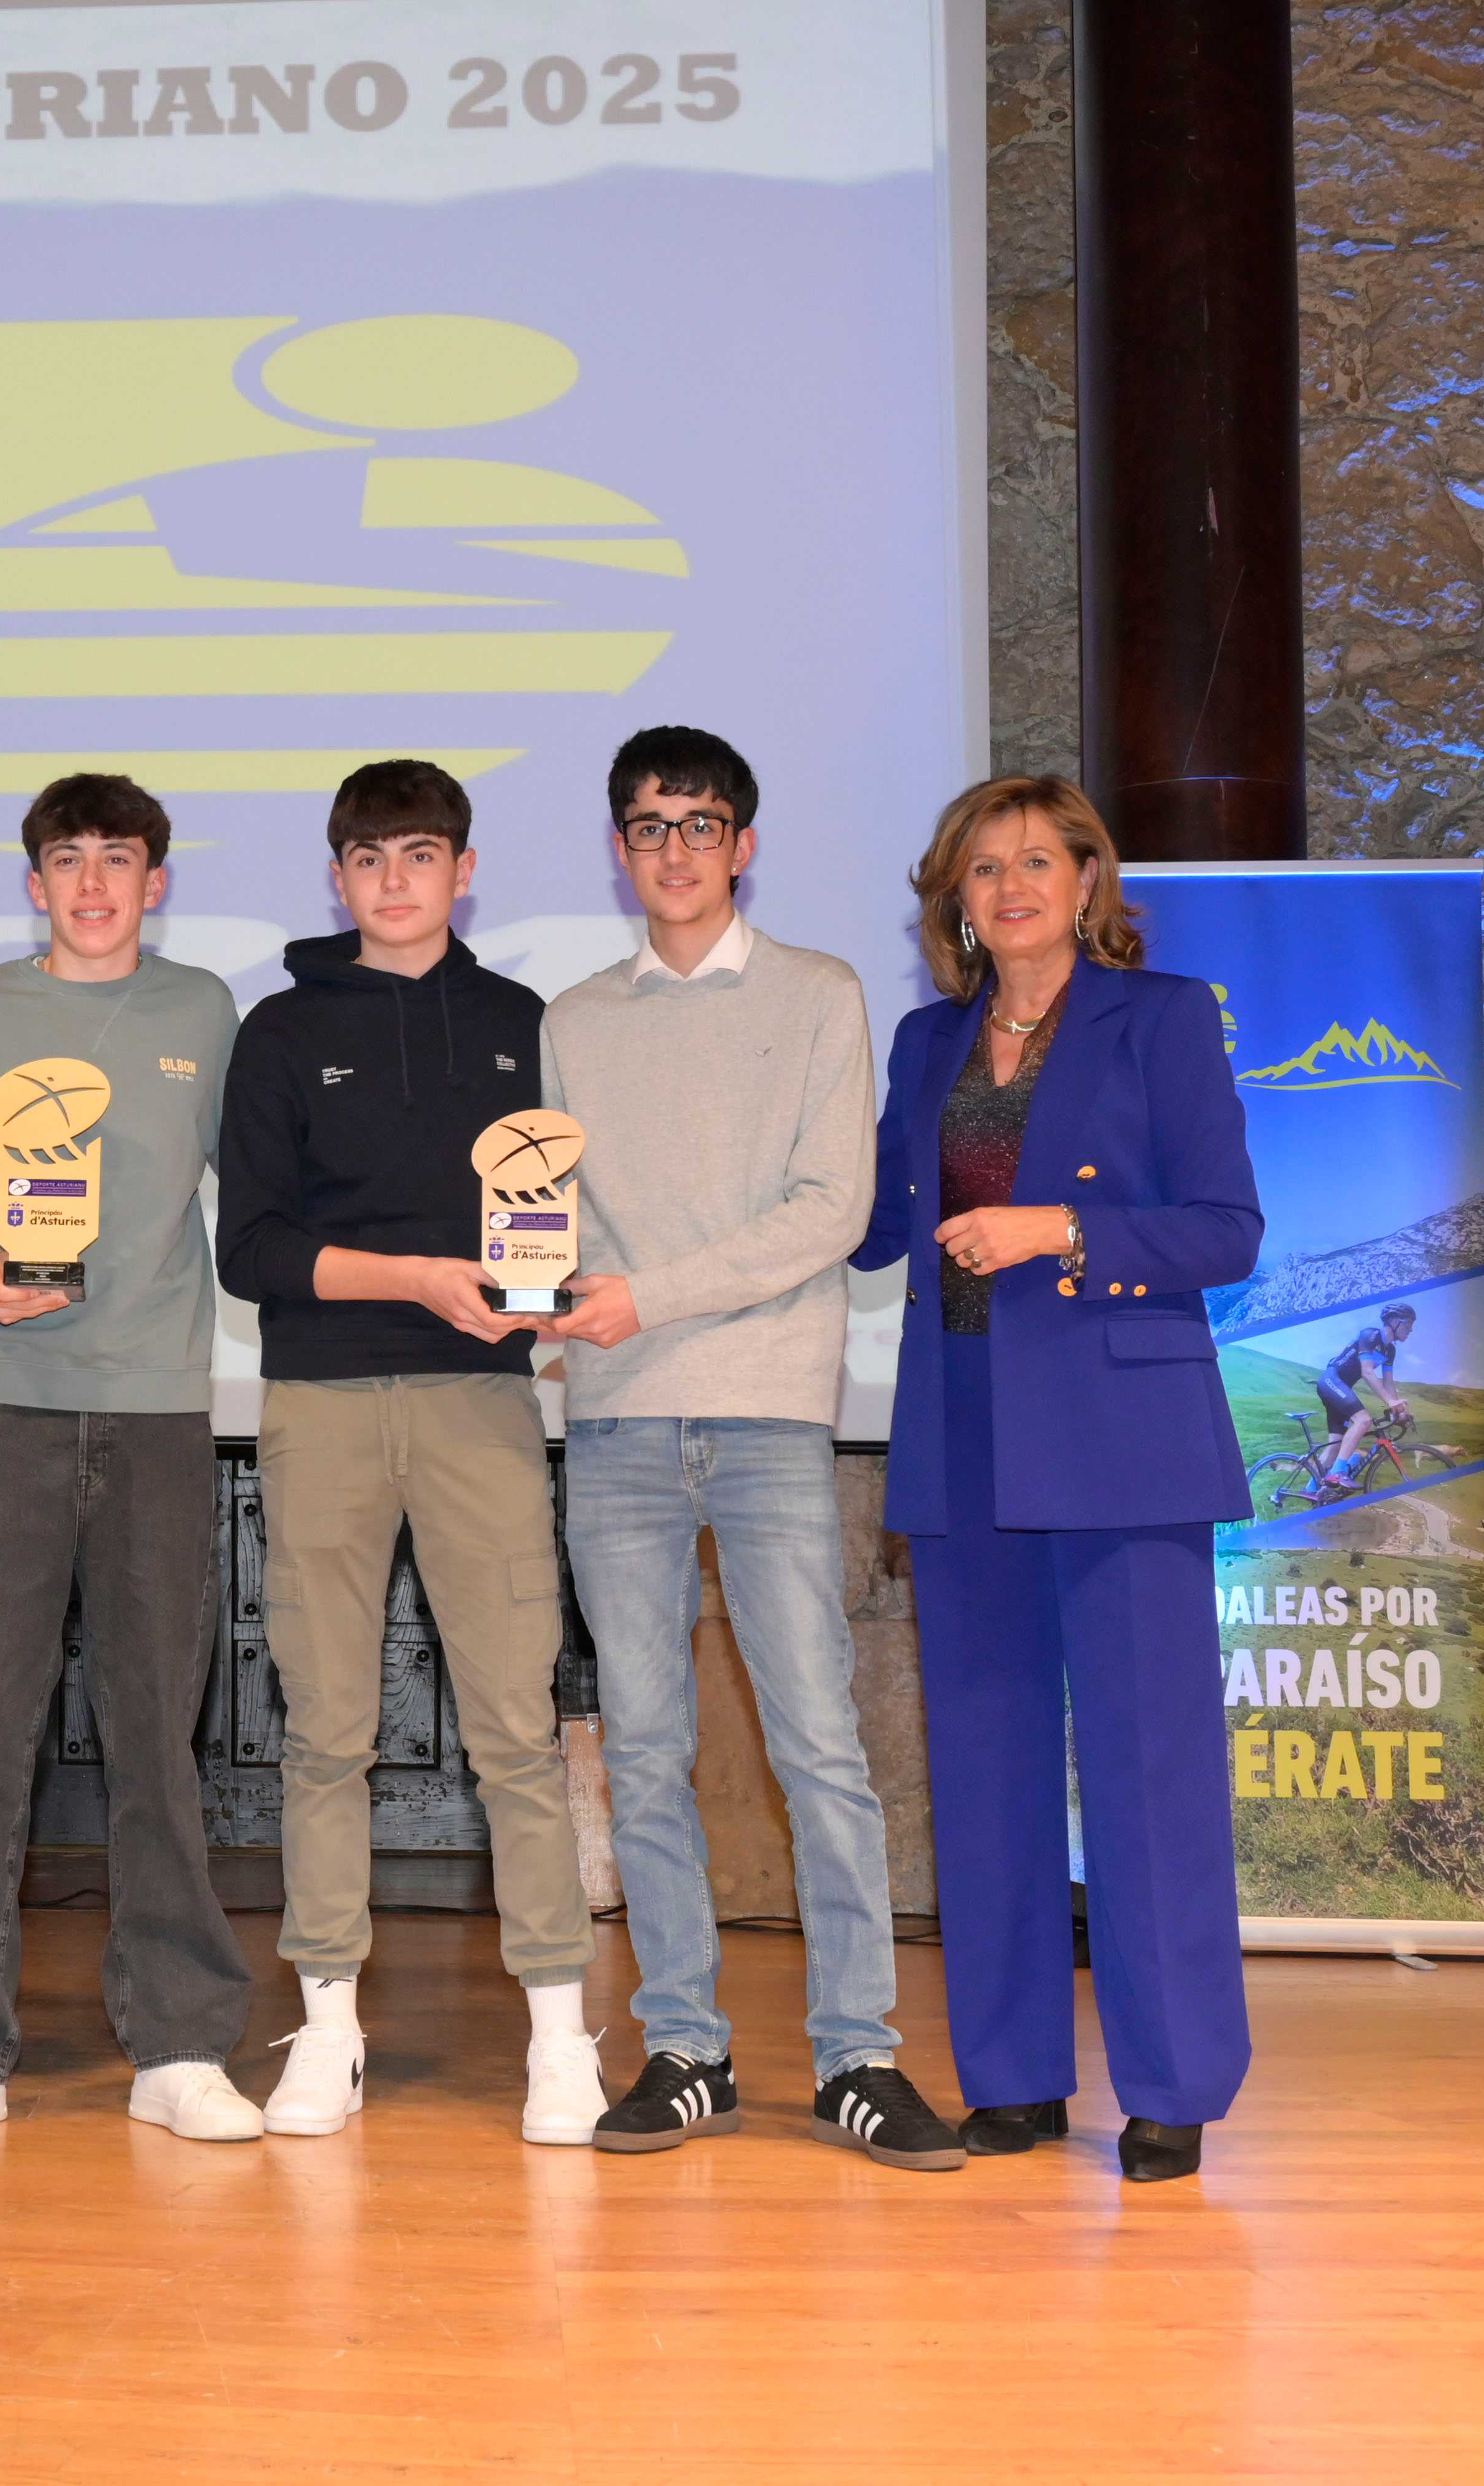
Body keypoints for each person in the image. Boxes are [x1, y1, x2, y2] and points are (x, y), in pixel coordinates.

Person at [539, 724, 963, 2169]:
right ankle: (688, 2048)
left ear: (745, 841)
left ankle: (857, 2054)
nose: (674, 848)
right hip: (616, 1418)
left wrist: (646, 1292)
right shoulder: (576, 1017)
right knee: (646, 1751)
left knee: (820, 1747)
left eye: (700, 822)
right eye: (648, 824)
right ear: (619, 846)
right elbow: (562, 1215)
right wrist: (573, 1290)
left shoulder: (821, 995)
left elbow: (832, 1208)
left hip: (775, 1411)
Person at [854, 773, 1262, 2185]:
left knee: (1153, 1776)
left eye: (1037, 860)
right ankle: (1015, 2075)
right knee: (982, 1773)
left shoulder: (1164, 1020)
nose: (1011, 886)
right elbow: (858, 1222)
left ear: (1089, 879)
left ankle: (1172, 2080)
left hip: (1122, 1443)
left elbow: (1226, 1230)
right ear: (954, 898)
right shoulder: (923, 1042)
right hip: (964, 1439)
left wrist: (1060, 1228)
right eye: (984, 868)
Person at [214, 759, 610, 2146]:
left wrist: (524, 1291)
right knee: (326, 1728)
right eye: (368, 855)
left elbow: (560, 1221)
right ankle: (326, 2030)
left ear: (464, 868)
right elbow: (248, 1249)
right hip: (322, 1399)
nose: (394, 879)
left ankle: (561, 2034)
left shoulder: (527, 1027)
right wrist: (413, 1276)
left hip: (480, 1401)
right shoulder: (278, 1030)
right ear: (338, 875)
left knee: (514, 1723)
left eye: (420, 853)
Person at [0, 773, 256, 2145]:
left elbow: (259, 1188)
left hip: (158, 1412)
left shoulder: (202, 1010)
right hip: (6, 1407)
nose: (93, 881)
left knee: (158, 1736)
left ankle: (177, 2038)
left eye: (120, 858)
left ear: (156, 881)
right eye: (67, 858)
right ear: (33, 882)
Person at [1318, 1304, 1417, 1491]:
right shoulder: (1370, 1335)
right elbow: (1368, 1372)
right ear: (1395, 1322)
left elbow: (1388, 1383)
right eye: (1408, 1324)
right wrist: (1391, 1402)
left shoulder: (1390, 1351)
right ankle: (1336, 1473)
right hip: (1332, 1380)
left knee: (1335, 1446)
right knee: (1363, 1420)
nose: (1411, 1330)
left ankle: (1312, 1492)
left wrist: (1398, 1409)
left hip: (1340, 1389)